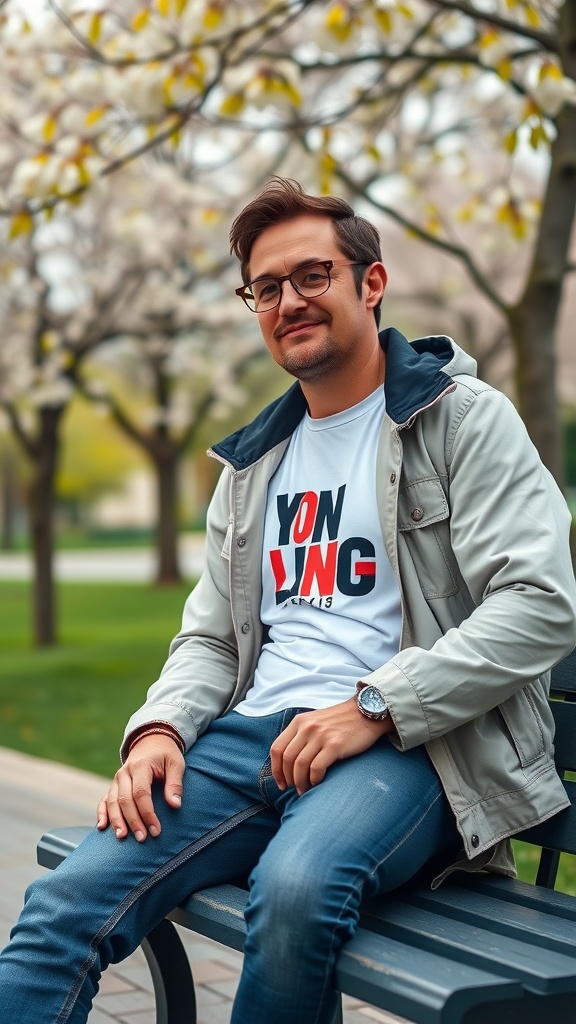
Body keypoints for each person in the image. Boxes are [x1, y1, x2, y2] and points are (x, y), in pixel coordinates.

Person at [1, 177, 575, 1024]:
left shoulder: (461, 421)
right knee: (60, 908)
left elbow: (539, 603)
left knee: (299, 890)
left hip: (410, 750)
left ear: (369, 284)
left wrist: (376, 705)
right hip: (247, 746)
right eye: (265, 289)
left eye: (312, 276)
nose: (288, 301)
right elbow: (210, 640)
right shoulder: (251, 467)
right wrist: (159, 730)